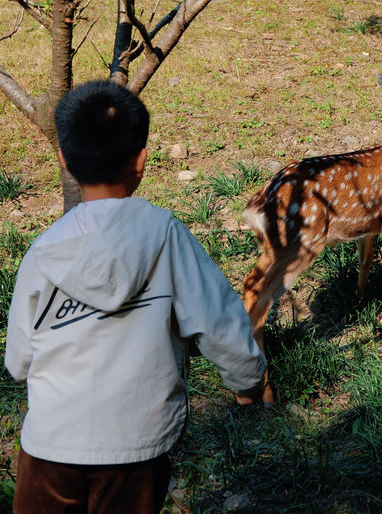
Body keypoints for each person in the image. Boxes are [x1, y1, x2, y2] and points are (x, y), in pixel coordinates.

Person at [5, 80, 267, 514]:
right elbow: (221, 324)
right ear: (141, 161)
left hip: (49, 448)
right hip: (137, 448)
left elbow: (18, 361)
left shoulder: (43, 251)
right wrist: (248, 383)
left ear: (64, 161)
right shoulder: (166, 236)